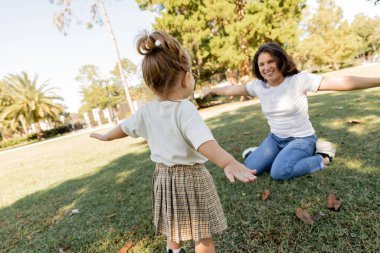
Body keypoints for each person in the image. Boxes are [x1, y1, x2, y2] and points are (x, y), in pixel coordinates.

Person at [90, 31, 257, 253]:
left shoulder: (146, 112)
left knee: (174, 229)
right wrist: (227, 162)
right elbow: (203, 142)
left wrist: (105, 136)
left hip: (164, 178)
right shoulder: (184, 108)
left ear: (151, 84)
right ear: (186, 77)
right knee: (202, 235)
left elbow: (123, 128)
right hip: (192, 177)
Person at [203, 42, 380, 181]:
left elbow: (343, 82)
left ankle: (322, 157)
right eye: (262, 64)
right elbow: (234, 90)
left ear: (280, 60)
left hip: (302, 139)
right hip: (275, 138)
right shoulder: (259, 86)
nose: (266, 67)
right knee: (250, 167)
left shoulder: (299, 80)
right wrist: (211, 90)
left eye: (270, 61)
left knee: (279, 172)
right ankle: (265, 153)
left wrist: (377, 81)